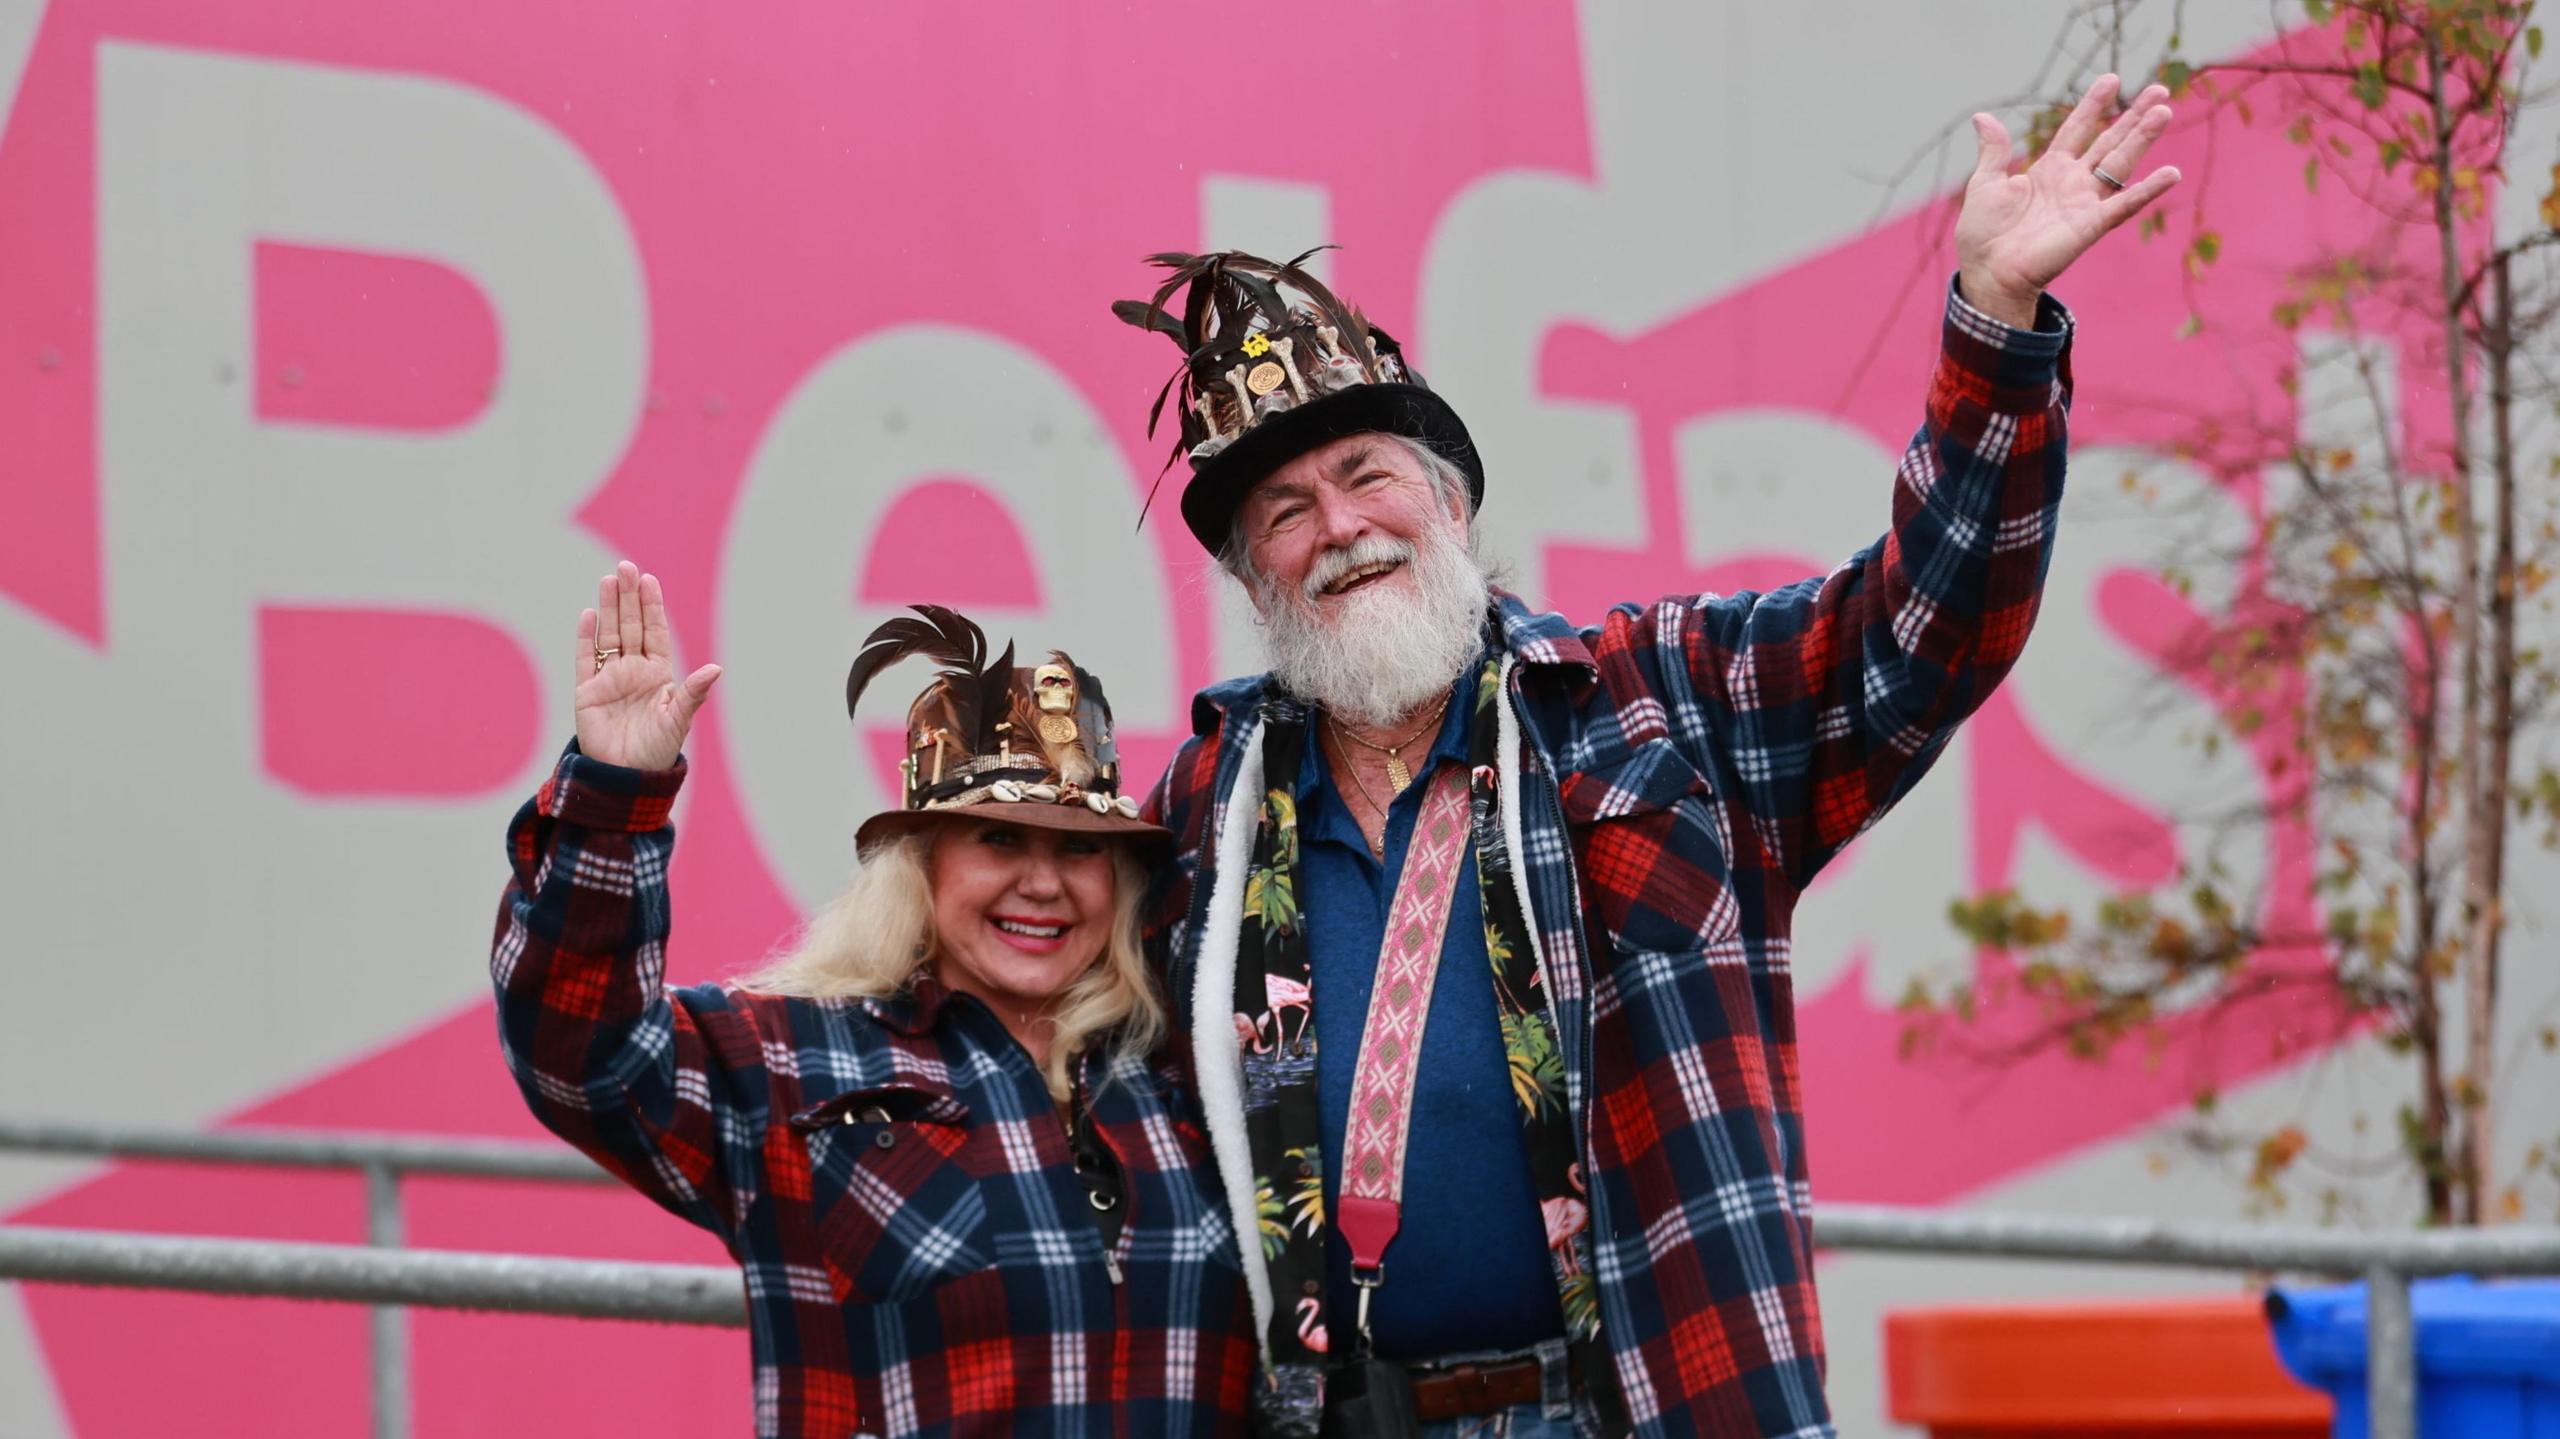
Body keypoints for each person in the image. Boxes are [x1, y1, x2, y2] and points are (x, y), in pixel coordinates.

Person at [1116, 77, 2181, 1437]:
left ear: (1448, 502)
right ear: (1250, 574)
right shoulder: (1205, 809)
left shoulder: (1657, 701)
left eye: (1368, 475)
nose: (1338, 525)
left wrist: (1997, 325)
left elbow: (1926, 629)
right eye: (1284, 506)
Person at [490, 564, 1256, 1437]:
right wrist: (614, 796)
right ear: (921, 868)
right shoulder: (793, 1062)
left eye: (1079, 850)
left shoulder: (1184, 1075)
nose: (1043, 883)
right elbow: (581, 1049)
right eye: (998, 838)